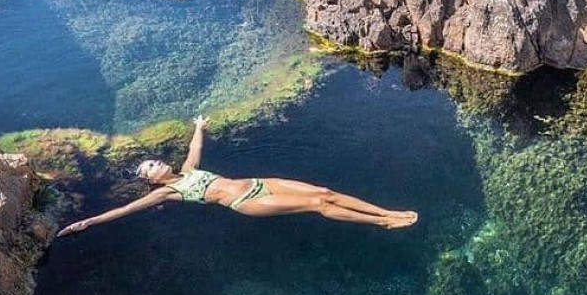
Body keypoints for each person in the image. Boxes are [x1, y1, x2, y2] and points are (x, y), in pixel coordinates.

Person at [55, 116, 418, 236]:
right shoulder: (166, 194)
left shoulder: (189, 170)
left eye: (152, 161)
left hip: (260, 182)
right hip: (248, 201)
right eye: (149, 168)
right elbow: (123, 211)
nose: (155, 164)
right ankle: (385, 222)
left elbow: (195, 147)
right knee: (318, 204)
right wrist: (86, 224)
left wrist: (199, 126)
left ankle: (385, 209)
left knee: (325, 190)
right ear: (151, 182)